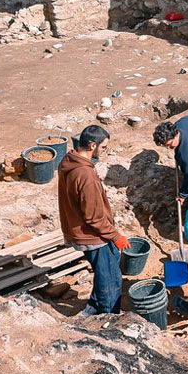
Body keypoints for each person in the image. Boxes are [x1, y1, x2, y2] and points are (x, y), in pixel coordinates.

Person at [56, 125, 133, 317]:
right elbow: (93, 216)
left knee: (104, 274)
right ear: (92, 145)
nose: (105, 151)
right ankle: (107, 319)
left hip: (80, 230)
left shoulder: (68, 160)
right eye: (103, 147)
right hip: (92, 236)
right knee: (110, 282)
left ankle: (92, 309)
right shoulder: (85, 175)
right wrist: (115, 236)